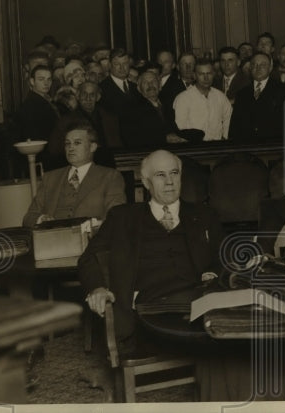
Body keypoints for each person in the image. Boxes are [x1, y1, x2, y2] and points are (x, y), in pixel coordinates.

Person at [79, 150, 239, 399]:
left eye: (174, 173)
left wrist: (213, 272)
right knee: (223, 339)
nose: (169, 181)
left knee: (241, 329)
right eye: (160, 175)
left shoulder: (204, 215)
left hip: (198, 304)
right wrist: (97, 288)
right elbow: (88, 257)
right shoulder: (123, 217)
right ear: (146, 182)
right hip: (148, 313)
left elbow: (225, 258)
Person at [22, 124, 124, 227]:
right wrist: (41, 219)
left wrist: (93, 226)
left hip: (92, 240)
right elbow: (28, 218)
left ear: (92, 147)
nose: (71, 148)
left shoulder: (110, 177)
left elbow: (116, 217)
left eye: (77, 143)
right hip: (53, 239)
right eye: (67, 144)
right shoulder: (50, 178)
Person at [228, 52, 285, 140]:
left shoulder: (283, 90)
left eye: (263, 65)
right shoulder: (242, 93)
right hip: (248, 146)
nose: (258, 68)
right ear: (250, 68)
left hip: (273, 146)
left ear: (270, 68)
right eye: (254, 65)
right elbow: (235, 126)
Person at [122, 71, 188, 147]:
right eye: (145, 82)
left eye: (153, 81)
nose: (150, 85)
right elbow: (131, 138)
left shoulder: (168, 105)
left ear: (160, 85)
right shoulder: (132, 109)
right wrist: (164, 138)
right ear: (139, 89)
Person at [173, 58, 232, 142]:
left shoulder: (220, 97)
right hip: (194, 147)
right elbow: (180, 127)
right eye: (201, 74)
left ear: (214, 74)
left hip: (218, 147)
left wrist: (225, 138)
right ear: (194, 75)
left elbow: (228, 118)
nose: (206, 78)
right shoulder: (183, 98)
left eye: (209, 73)